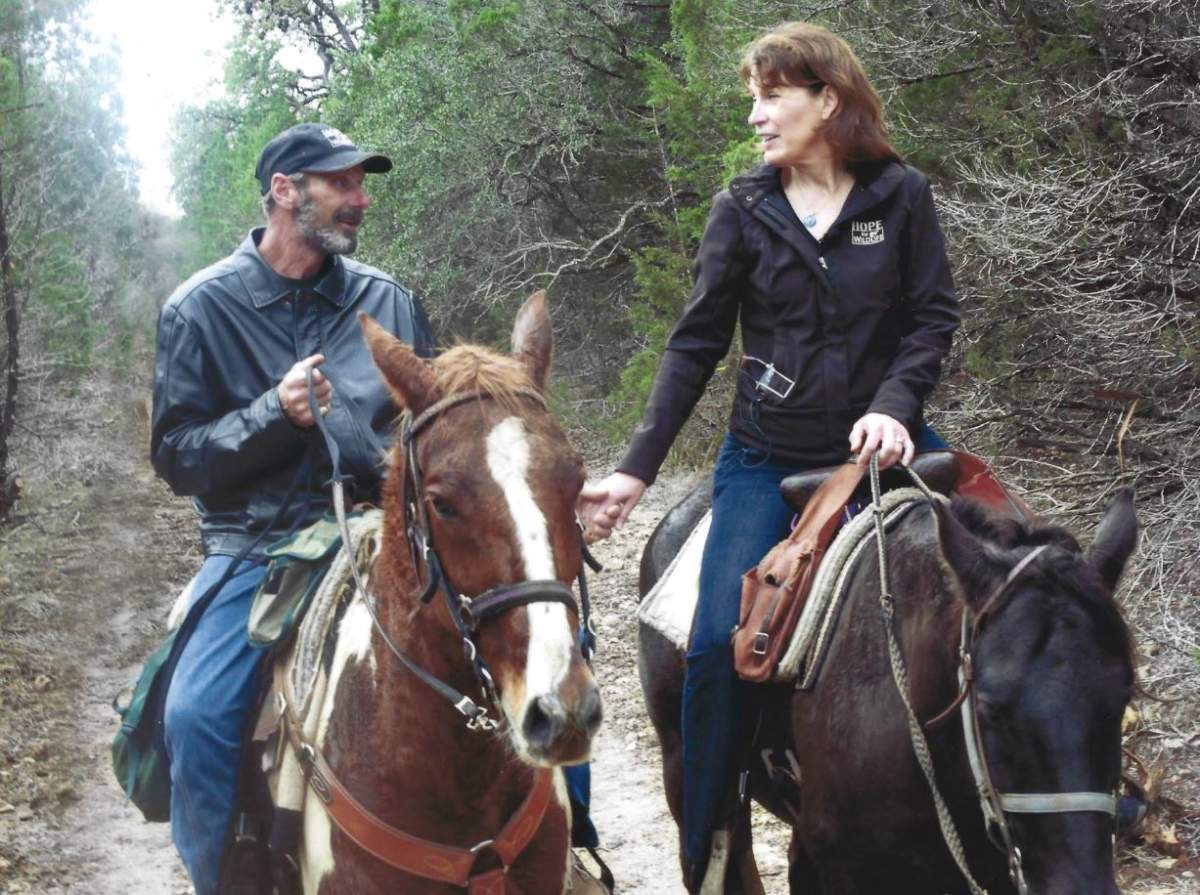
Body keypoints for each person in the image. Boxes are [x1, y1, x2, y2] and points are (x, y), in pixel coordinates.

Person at [579, 21, 960, 891]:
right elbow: (695, 345)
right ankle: (710, 849)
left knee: (1020, 568)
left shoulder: (900, 196)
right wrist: (637, 468)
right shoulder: (743, 209)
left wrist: (895, 409)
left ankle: (1065, 790)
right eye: (752, 96)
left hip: (885, 447)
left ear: (828, 98)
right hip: (766, 457)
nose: (755, 115)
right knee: (716, 644)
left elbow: (931, 317)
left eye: (771, 95)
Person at [150, 122, 434, 894]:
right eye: (341, 182)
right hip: (258, 544)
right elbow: (176, 454)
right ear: (284, 191)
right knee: (194, 717)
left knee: (538, 652)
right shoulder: (199, 308)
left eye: (360, 183)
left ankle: (567, 853)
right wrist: (272, 415)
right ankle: (223, 876)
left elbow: (441, 430)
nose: (360, 198)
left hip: (388, 530)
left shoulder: (391, 302)